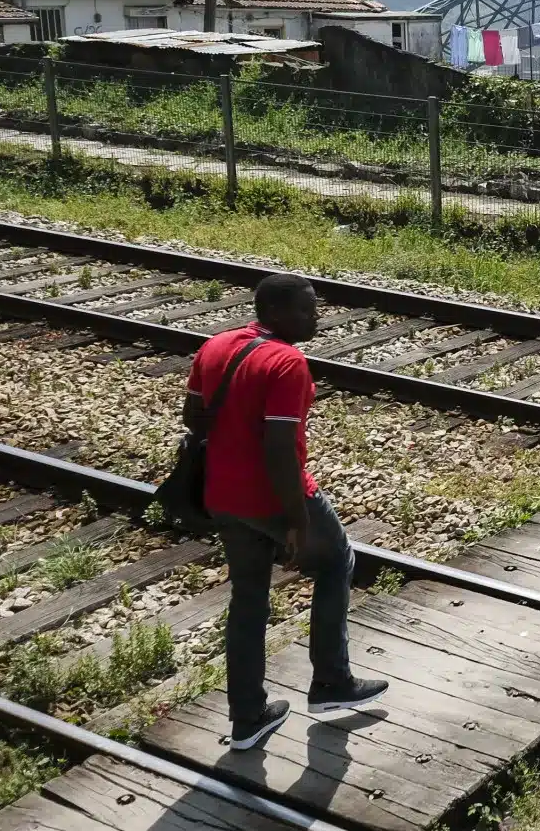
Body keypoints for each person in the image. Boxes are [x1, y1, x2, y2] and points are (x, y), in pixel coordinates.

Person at [183, 272, 387, 750]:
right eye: (305, 309)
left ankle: (247, 717)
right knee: (337, 561)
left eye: (314, 306)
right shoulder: (287, 363)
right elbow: (279, 449)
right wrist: (296, 520)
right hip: (272, 497)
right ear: (274, 313)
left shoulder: (215, 346)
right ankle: (331, 684)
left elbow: (193, 416)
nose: (315, 316)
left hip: (222, 495)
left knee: (249, 599)